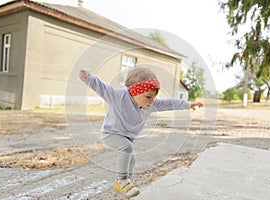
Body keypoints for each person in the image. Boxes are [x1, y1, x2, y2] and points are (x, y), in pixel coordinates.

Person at [79, 67, 203, 199]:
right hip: (111, 133)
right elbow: (102, 87)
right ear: (134, 91)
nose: (152, 101)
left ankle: (127, 185)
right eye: (148, 97)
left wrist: (188, 104)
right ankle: (121, 180)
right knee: (127, 148)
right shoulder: (118, 97)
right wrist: (88, 77)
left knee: (131, 159)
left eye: (154, 97)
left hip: (127, 137)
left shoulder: (151, 104)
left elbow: (169, 103)